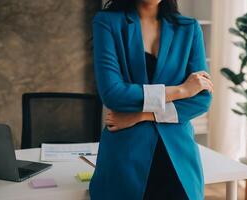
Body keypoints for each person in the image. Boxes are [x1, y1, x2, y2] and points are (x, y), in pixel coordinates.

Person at [90, 0, 213, 199]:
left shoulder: (189, 28)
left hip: (178, 160)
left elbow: (201, 100)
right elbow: (113, 93)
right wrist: (181, 90)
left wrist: (142, 115)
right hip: (125, 157)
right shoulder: (107, 22)